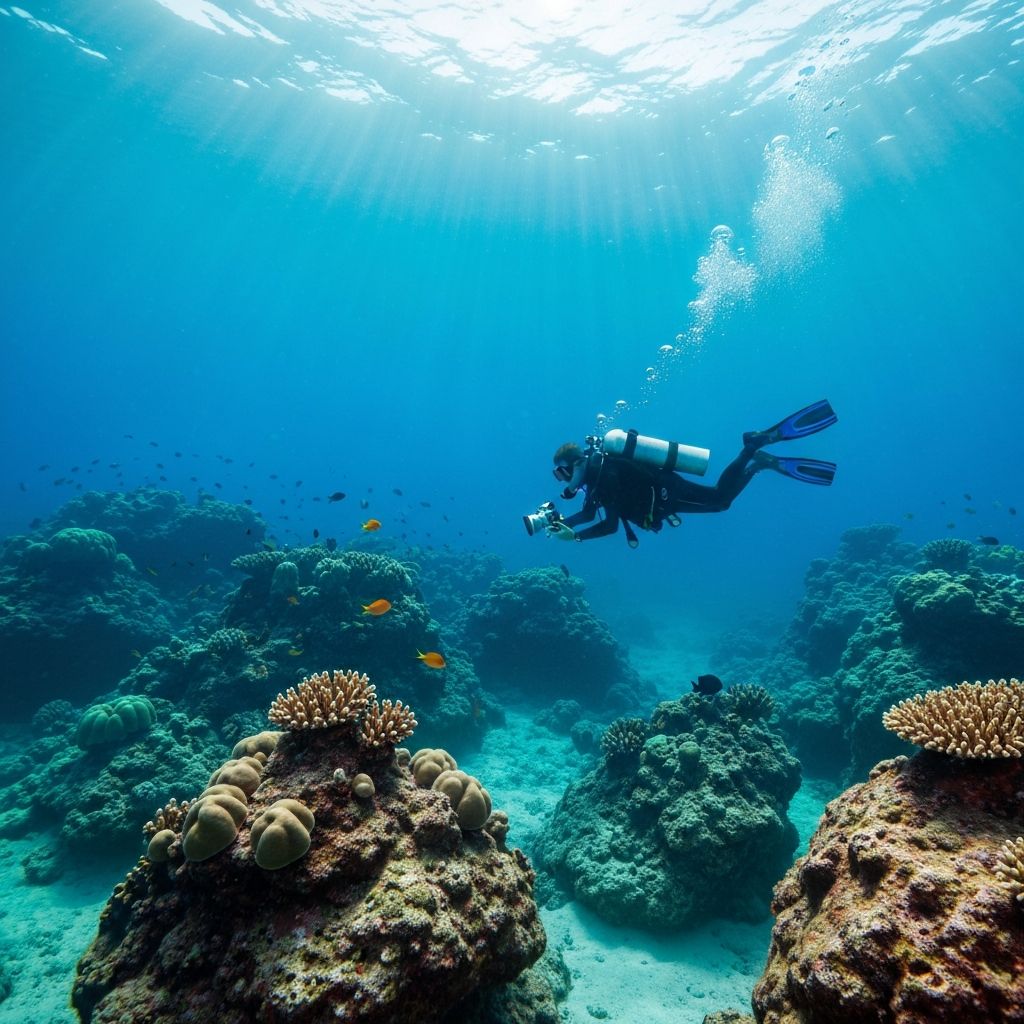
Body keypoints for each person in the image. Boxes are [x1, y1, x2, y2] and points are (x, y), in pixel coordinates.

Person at [548, 399, 838, 546]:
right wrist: (561, 522)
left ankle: (751, 450)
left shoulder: (604, 474)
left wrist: (575, 538)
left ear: (577, 464)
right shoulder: (595, 480)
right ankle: (757, 461)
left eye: (562, 473)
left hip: (666, 492)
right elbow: (587, 514)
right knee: (720, 502)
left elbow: (610, 525)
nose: (563, 481)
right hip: (661, 501)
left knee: (720, 499)